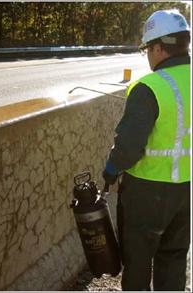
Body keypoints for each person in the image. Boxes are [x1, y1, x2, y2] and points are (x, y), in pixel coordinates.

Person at [102, 9, 191, 291]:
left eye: (147, 50)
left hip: (146, 194)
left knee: (138, 265)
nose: (148, 57)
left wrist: (110, 170)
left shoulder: (149, 87)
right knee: (173, 262)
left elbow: (128, 148)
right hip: (185, 192)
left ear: (157, 47)